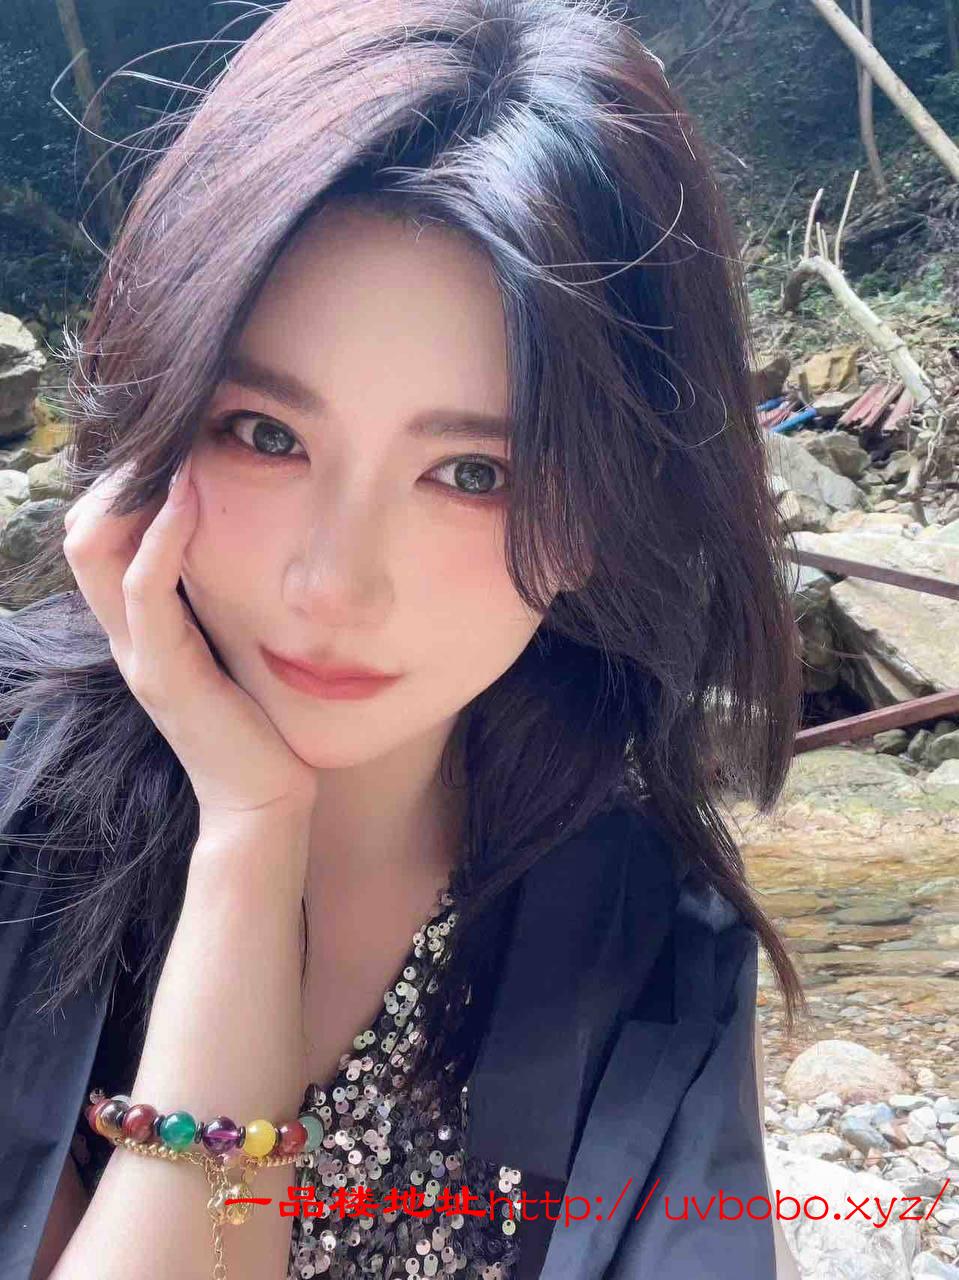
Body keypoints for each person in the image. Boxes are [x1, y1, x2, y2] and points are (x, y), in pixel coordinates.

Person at [0, 1, 806, 1277]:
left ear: (606, 510)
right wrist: (249, 841)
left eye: (474, 472)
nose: (334, 584)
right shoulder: (21, 821)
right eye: (266, 433)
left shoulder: (642, 934)